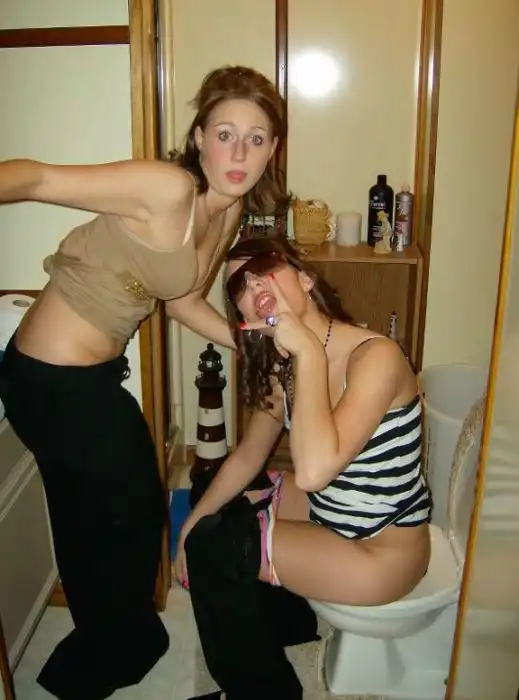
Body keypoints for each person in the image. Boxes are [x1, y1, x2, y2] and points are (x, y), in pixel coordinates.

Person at [0, 66, 288, 700]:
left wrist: (255, 345)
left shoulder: (230, 211)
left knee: (105, 514)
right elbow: (38, 178)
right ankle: (102, 653)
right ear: (199, 135)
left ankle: (111, 643)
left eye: (256, 139)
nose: (239, 154)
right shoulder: (166, 188)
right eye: (225, 134)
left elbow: (182, 303)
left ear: (272, 149)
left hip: (90, 377)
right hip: (48, 380)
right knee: (123, 513)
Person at [174, 234, 432, 700]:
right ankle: (288, 623)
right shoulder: (284, 367)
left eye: (264, 266)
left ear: (306, 280)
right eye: (238, 286)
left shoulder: (376, 357)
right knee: (210, 499)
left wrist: (309, 352)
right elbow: (249, 455)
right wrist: (188, 527)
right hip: (332, 516)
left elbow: (314, 473)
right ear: (246, 318)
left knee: (221, 546)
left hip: (381, 553)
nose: (253, 283)